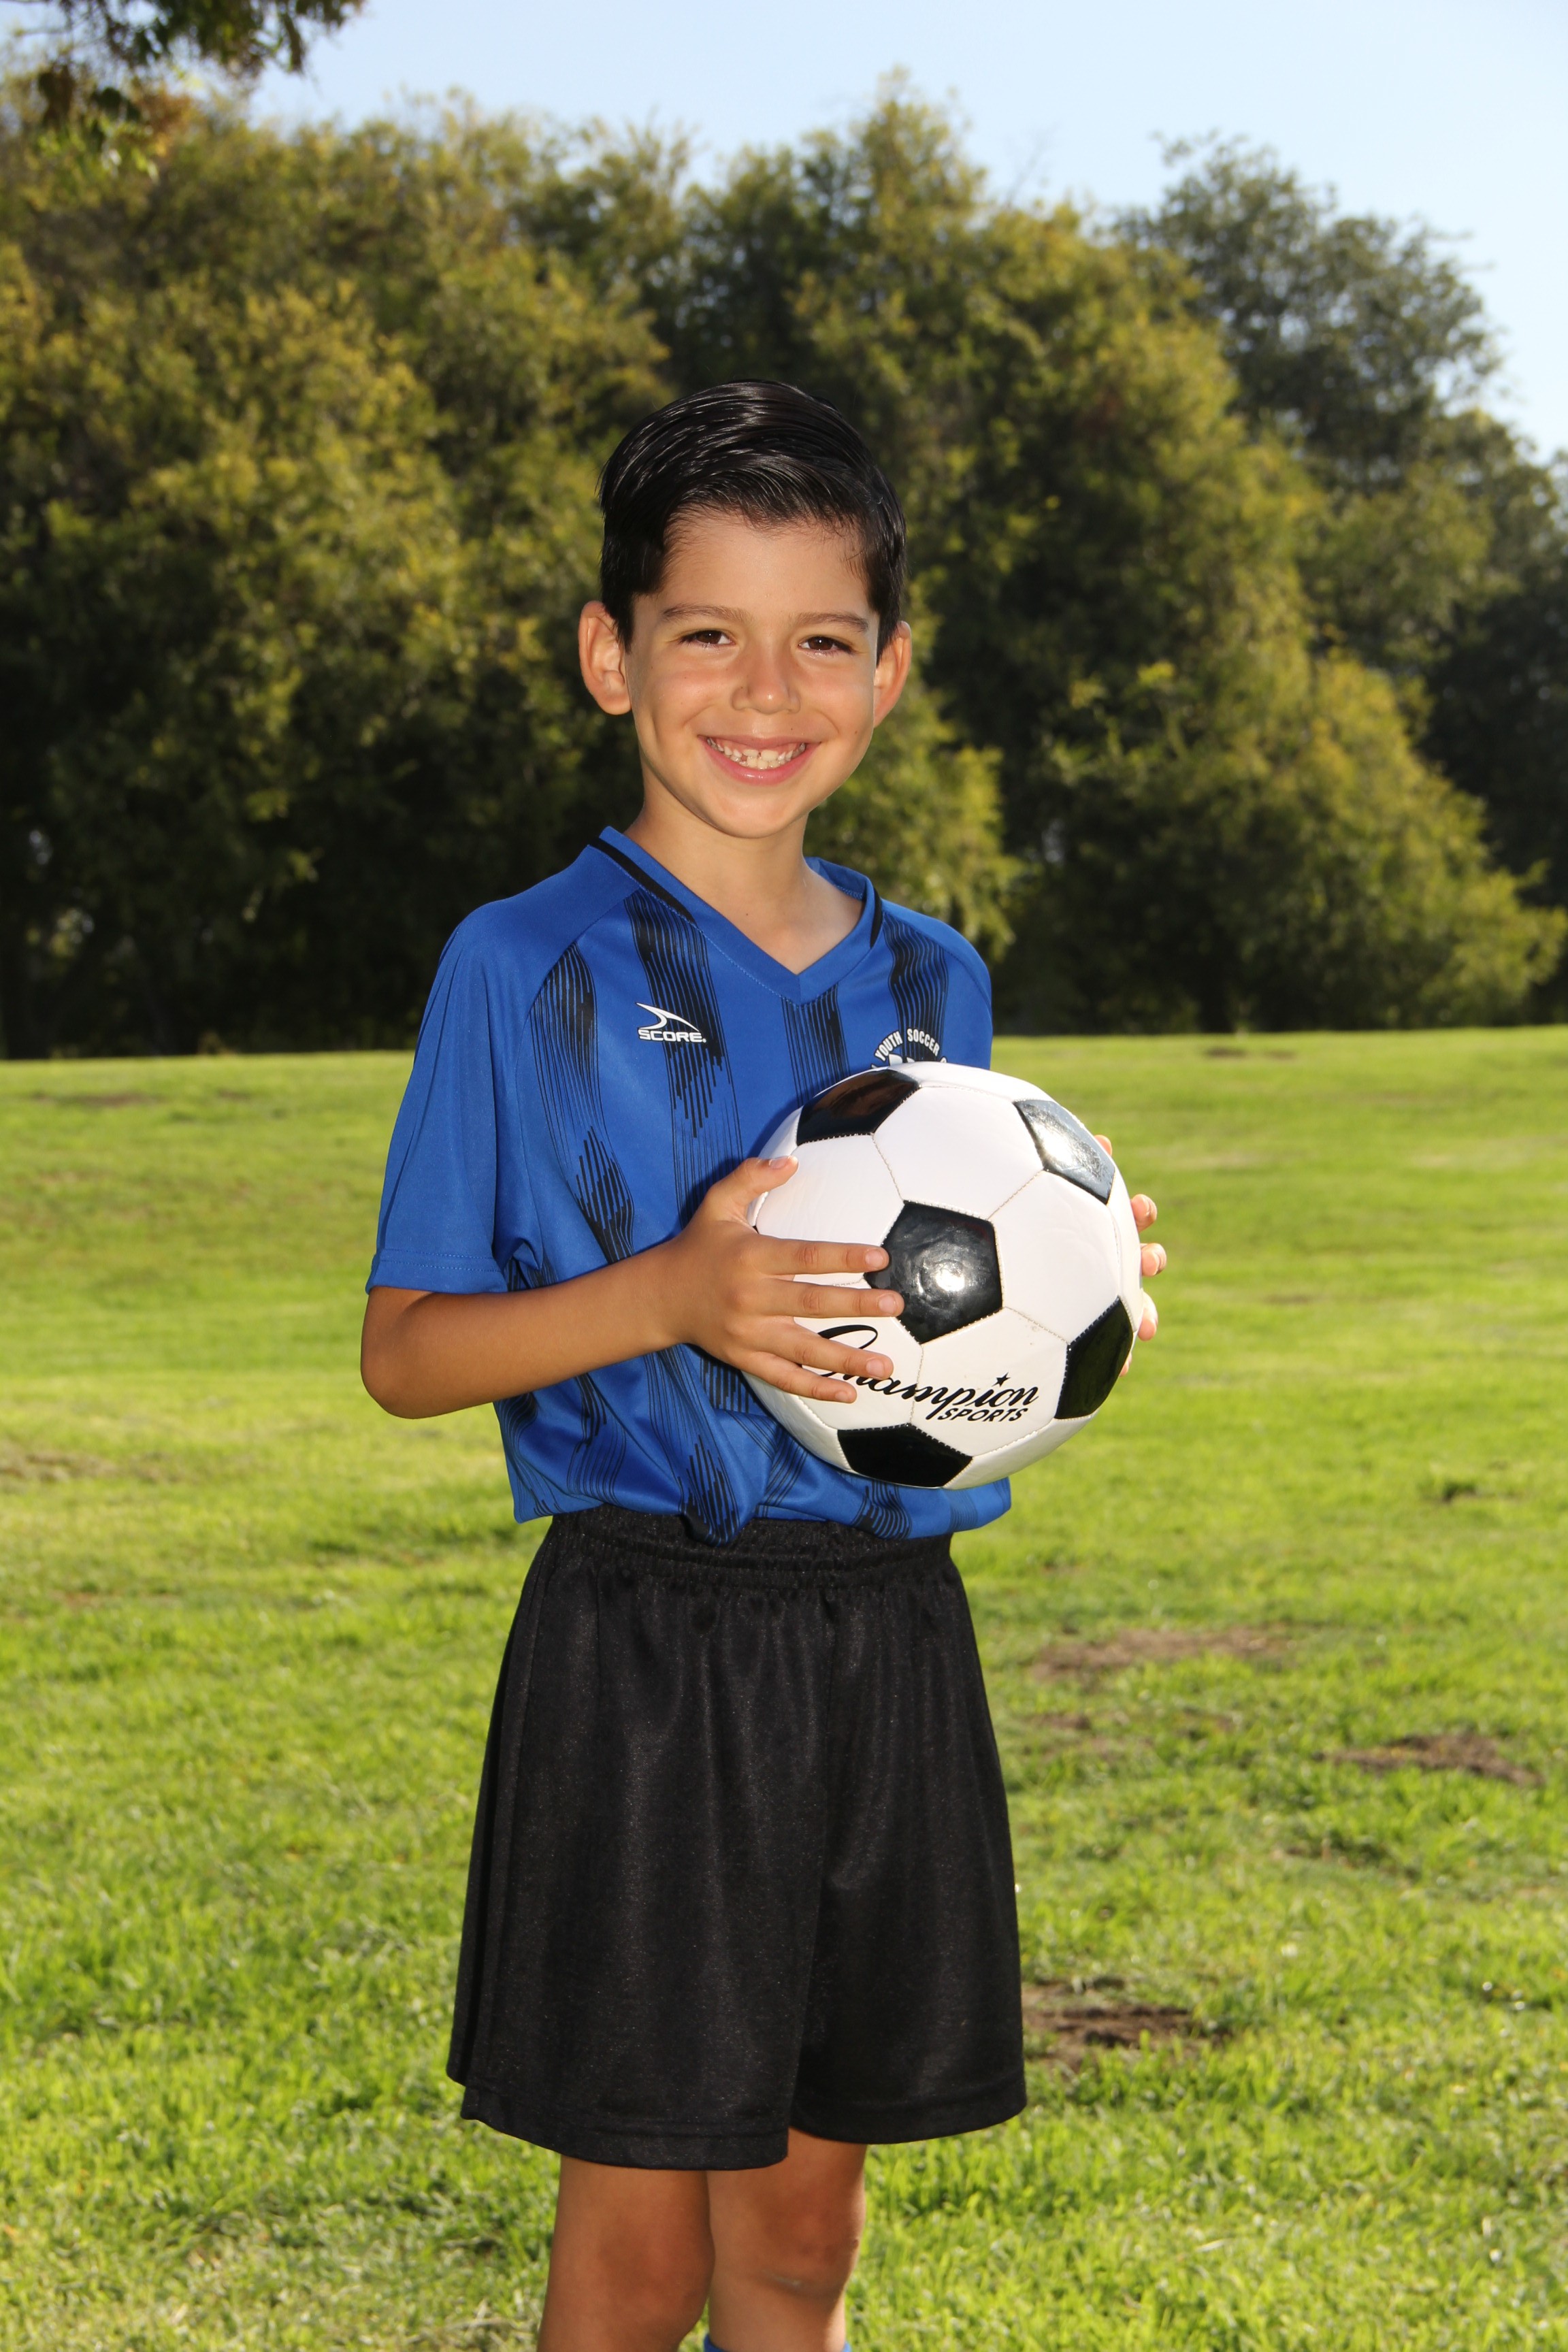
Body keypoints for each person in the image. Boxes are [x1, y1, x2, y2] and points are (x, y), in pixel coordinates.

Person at [361, 380, 1164, 2352]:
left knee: (803, 2234)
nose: (764, 690)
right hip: (648, 1653)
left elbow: (942, 1291)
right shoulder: (517, 964)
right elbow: (406, 1355)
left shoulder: (936, 980)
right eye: (708, 631)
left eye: (822, 640)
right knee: (636, 2258)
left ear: (889, 671)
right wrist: (673, 1298)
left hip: (886, 1642)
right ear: (611, 653)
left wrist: (1077, 1289)